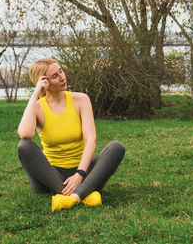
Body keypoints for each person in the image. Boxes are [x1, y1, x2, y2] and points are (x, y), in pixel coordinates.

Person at [17, 57, 125, 212]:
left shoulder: (81, 99)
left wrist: (80, 174)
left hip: (83, 172)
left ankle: (73, 197)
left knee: (116, 147)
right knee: (24, 146)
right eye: (55, 76)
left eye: (61, 71)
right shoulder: (39, 107)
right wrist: (35, 95)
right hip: (51, 176)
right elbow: (25, 133)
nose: (62, 77)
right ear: (43, 82)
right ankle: (83, 195)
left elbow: (90, 140)